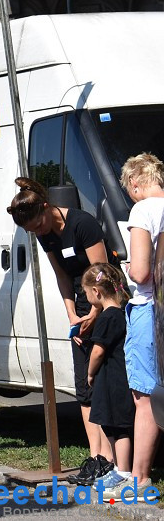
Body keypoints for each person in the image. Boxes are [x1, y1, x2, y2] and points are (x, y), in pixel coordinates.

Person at [7, 177, 112, 486]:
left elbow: (103, 273)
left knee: (103, 380)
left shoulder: (82, 224)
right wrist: (72, 315)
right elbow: (61, 275)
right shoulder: (45, 235)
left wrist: (93, 314)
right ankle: (97, 457)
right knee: (84, 386)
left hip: (104, 304)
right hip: (81, 306)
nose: (37, 233)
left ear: (46, 207)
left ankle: (113, 460)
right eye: (31, 231)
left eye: (37, 226)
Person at [110, 153, 164, 499]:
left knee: (146, 395)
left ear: (134, 184)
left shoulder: (143, 211)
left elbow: (142, 273)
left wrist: (128, 266)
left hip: (150, 308)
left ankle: (140, 478)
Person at [81, 264, 135, 499]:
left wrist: (90, 373)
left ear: (97, 291)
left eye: (86, 293)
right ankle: (117, 468)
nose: (86, 297)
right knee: (111, 426)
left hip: (113, 381)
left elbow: (98, 352)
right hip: (114, 379)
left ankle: (123, 471)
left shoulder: (107, 317)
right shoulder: (121, 312)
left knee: (118, 427)